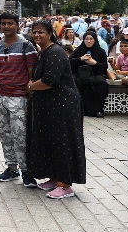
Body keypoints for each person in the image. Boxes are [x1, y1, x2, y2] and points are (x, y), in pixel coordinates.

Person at [27, 20, 87, 199]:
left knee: (63, 142)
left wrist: (30, 87)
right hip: (50, 105)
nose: (37, 35)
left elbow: (49, 81)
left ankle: (65, 184)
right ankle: (54, 177)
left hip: (63, 105)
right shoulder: (44, 52)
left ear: (50, 33)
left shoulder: (55, 52)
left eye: (41, 32)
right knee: (51, 141)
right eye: (34, 32)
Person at [0, 12, 37, 186]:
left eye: (10, 23)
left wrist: (29, 99)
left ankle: (26, 171)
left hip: (18, 97)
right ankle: (11, 167)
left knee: (20, 135)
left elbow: (31, 74)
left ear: (17, 25)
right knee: (5, 134)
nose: (7, 26)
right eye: (4, 23)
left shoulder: (26, 46)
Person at [69, 31, 109, 119]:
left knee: (101, 82)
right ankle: (75, 109)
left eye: (91, 39)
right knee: (73, 81)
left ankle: (98, 110)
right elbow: (69, 62)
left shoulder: (100, 51)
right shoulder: (79, 50)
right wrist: (80, 59)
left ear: (95, 40)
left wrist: (95, 63)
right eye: (86, 39)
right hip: (79, 73)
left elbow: (104, 67)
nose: (89, 41)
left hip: (95, 73)